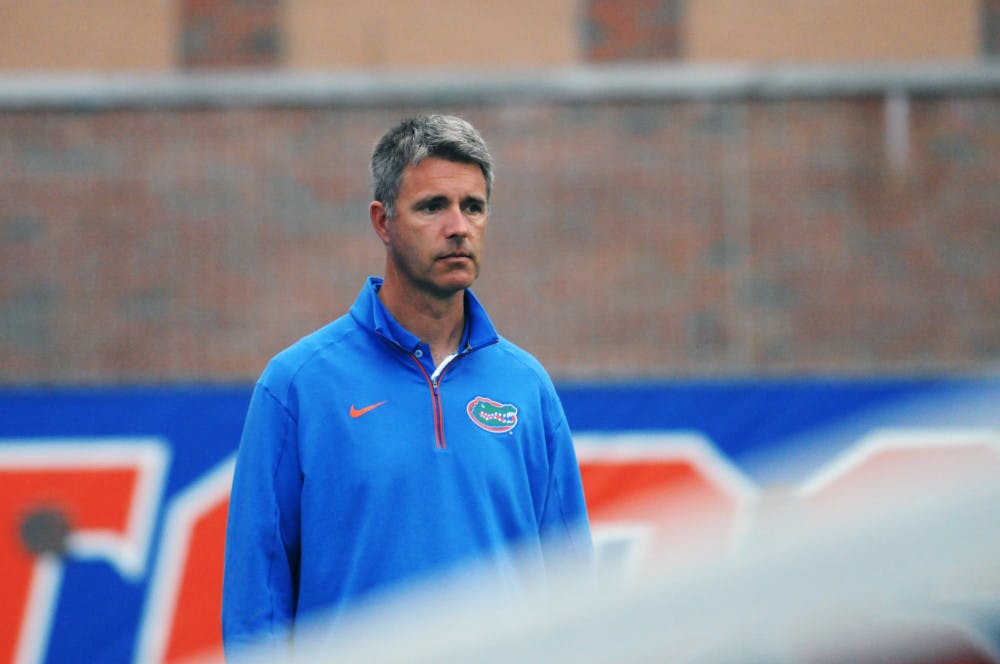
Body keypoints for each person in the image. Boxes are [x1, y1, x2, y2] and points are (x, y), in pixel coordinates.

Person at [221, 114, 593, 658]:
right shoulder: (297, 385)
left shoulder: (527, 387)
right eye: (432, 207)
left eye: (473, 206)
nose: (458, 226)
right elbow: (259, 597)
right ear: (382, 221)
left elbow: (573, 590)